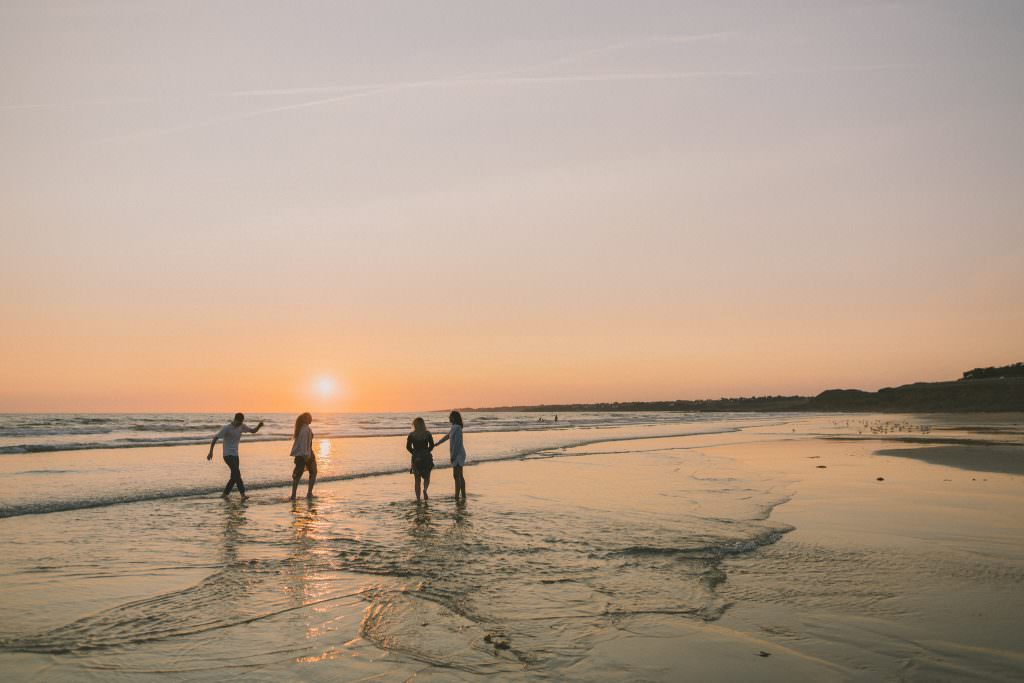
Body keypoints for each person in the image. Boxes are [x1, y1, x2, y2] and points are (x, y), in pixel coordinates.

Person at [208, 412, 263, 500]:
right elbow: (215, 438)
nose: (240, 424)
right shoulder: (227, 428)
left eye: (241, 422)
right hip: (227, 455)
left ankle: (224, 494)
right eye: (239, 422)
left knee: (234, 476)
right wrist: (211, 452)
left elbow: (253, 431)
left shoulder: (242, 426)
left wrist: (259, 426)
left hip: (235, 455)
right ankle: (243, 494)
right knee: (237, 473)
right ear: (235, 419)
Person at [434, 410, 467, 500]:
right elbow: (447, 436)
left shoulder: (458, 428)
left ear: (454, 418)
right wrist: (438, 443)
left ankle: (457, 495)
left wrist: (453, 456)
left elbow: (458, 443)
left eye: (450, 416)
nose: (449, 418)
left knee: (456, 475)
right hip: (457, 453)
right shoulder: (454, 427)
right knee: (459, 475)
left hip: (458, 454)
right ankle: (463, 494)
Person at [405, 417, 434, 501]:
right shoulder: (427, 434)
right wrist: (427, 452)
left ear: (414, 425)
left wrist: (414, 453)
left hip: (416, 457)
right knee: (427, 476)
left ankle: (418, 499)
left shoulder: (411, 435)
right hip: (426, 456)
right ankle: (425, 490)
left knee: (417, 480)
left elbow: (408, 447)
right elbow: (431, 445)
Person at [290, 412, 317, 500]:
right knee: (300, 474)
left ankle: (296, 495)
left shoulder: (304, 428)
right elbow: (303, 444)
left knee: (300, 475)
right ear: (305, 419)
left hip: (307, 453)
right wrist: (306, 456)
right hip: (305, 454)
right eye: (310, 417)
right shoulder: (304, 430)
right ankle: (306, 493)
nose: (311, 419)